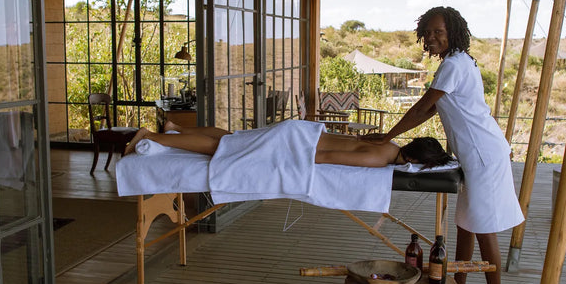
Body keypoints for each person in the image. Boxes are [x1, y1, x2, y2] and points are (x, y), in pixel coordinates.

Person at [367, 6, 524, 284]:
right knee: (465, 225)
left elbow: (420, 108)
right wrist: (391, 135)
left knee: (484, 229)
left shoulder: (453, 65)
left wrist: (387, 137)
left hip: (482, 154)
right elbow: (431, 110)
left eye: (438, 31)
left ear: (452, 32)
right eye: (427, 32)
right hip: (477, 152)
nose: (432, 37)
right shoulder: (459, 63)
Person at [125, 120, 453, 169]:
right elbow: (325, 156)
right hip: (294, 144)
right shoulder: (381, 158)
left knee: (230, 137)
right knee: (223, 149)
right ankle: (150, 136)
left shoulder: (388, 141)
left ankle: (175, 128)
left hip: (299, 131)